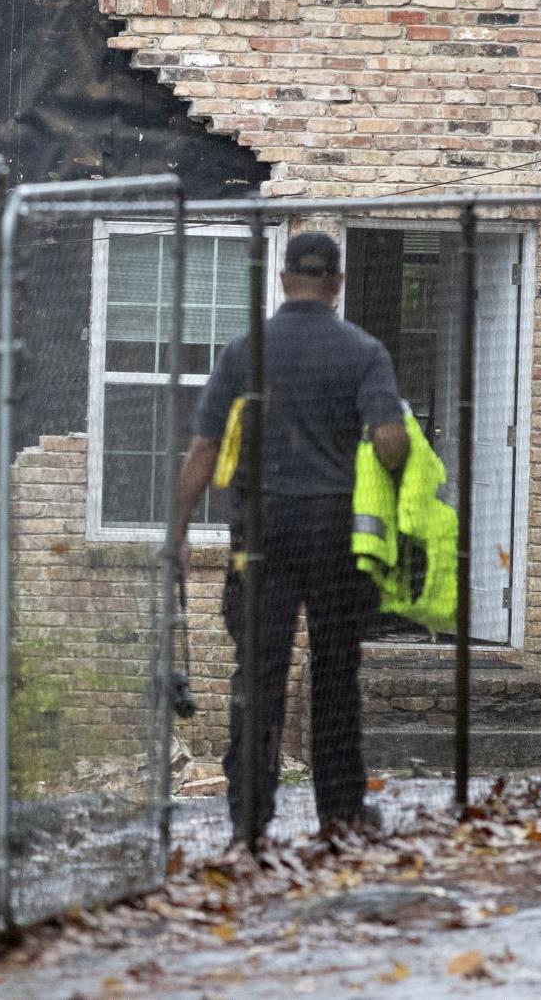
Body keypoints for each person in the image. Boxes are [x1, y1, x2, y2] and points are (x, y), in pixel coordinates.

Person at [170, 230, 408, 848]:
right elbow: (390, 440)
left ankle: (249, 819)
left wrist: (176, 532)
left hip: (262, 536)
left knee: (258, 678)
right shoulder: (362, 351)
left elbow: (203, 449)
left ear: (282, 280)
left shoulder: (246, 351)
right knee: (335, 677)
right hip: (335, 536)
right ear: (338, 282)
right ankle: (340, 813)